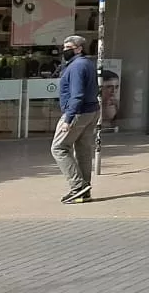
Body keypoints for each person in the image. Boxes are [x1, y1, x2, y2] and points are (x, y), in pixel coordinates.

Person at [52, 35, 99, 204]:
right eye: (64, 47)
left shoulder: (77, 66)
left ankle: (77, 186)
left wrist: (68, 119)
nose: (65, 50)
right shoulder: (86, 63)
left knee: (59, 148)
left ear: (79, 48)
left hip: (78, 113)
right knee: (83, 150)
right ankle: (84, 190)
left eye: (69, 47)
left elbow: (77, 94)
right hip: (91, 111)